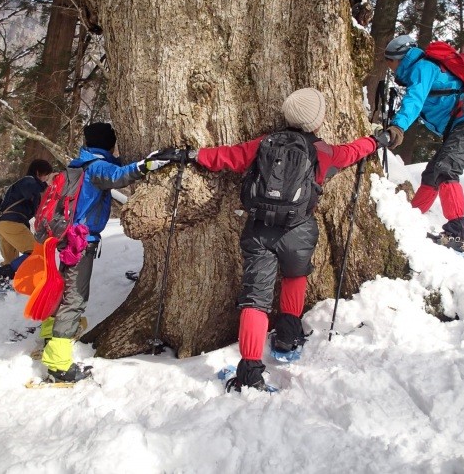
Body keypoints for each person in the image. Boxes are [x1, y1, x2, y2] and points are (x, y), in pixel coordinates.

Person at [157, 88, 385, 392]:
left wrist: (192, 154)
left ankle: (250, 371)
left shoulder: (263, 144)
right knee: (295, 277)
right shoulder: (323, 152)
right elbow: (352, 151)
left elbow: (226, 156)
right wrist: (375, 141)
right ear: (316, 122)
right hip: (300, 230)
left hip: (260, 229)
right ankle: (288, 336)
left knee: (255, 298)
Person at [40, 122, 168, 383]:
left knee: (63, 290)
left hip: (65, 238)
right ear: (109, 144)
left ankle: (48, 337)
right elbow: (119, 175)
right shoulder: (97, 167)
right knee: (74, 298)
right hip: (80, 242)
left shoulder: (79, 163)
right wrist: (147, 165)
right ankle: (58, 364)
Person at [379, 35, 464, 252]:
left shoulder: (422, 67)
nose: (389, 67)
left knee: (446, 169)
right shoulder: (419, 69)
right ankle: (410, 218)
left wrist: (398, 127)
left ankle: (459, 234)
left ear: (399, 58)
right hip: (463, 123)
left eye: (390, 61)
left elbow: (415, 99)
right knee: (432, 174)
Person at [0, 159, 53, 290]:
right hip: (12, 223)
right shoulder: (28, 181)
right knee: (36, 251)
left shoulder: (22, 185)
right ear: (38, 172)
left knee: (10, 260)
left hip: (4, 225)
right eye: (46, 175)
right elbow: (33, 188)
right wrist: (49, 185)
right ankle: (1, 277)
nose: (47, 178)